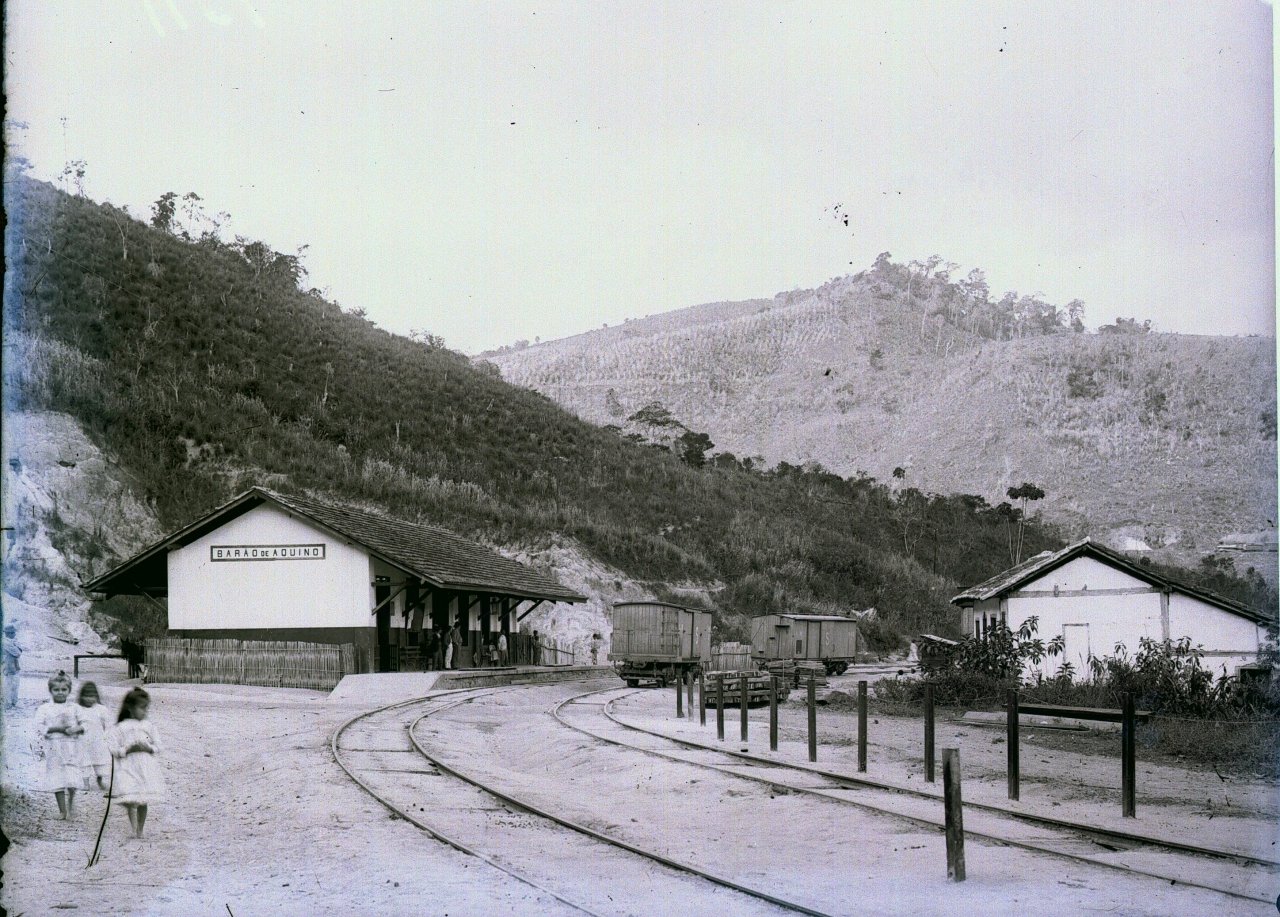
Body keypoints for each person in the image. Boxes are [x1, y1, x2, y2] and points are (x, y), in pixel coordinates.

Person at [109, 687, 165, 838]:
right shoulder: (121, 727)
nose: (145, 712)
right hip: (128, 767)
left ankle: (140, 829)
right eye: (141, 708)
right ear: (130, 708)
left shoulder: (149, 726)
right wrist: (126, 750)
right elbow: (113, 747)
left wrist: (149, 748)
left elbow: (159, 746)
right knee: (131, 797)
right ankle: (133, 828)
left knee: (143, 799)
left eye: (146, 708)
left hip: (145, 767)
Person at [34, 671, 84, 819]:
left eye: (64, 689)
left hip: (71, 746)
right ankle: (62, 811)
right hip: (54, 747)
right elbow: (39, 725)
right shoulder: (45, 709)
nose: (60, 693)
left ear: (69, 690)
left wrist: (76, 728)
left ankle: (71, 800)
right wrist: (58, 729)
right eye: (56, 690)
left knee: (72, 776)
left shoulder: (74, 708)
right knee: (57, 777)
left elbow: (84, 724)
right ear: (51, 691)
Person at [77, 682, 113, 792]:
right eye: (86, 696)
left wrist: (107, 736)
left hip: (98, 741)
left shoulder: (101, 709)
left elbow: (109, 724)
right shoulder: (78, 709)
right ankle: (86, 783)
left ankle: (100, 779)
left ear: (96, 696)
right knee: (84, 762)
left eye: (92, 696)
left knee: (100, 762)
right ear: (81, 696)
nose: (89, 699)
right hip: (83, 741)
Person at [3, 624, 21, 708]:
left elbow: (20, 649)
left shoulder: (12, 641)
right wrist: (16, 647)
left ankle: (13, 702)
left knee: (15, 685)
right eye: (13, 633)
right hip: (8, 666)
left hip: (14, 665)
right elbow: (17, 653)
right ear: (8, 634)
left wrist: (17, 646)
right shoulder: (6, 642)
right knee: (9, 685)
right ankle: (8, 703)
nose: (14, 634)